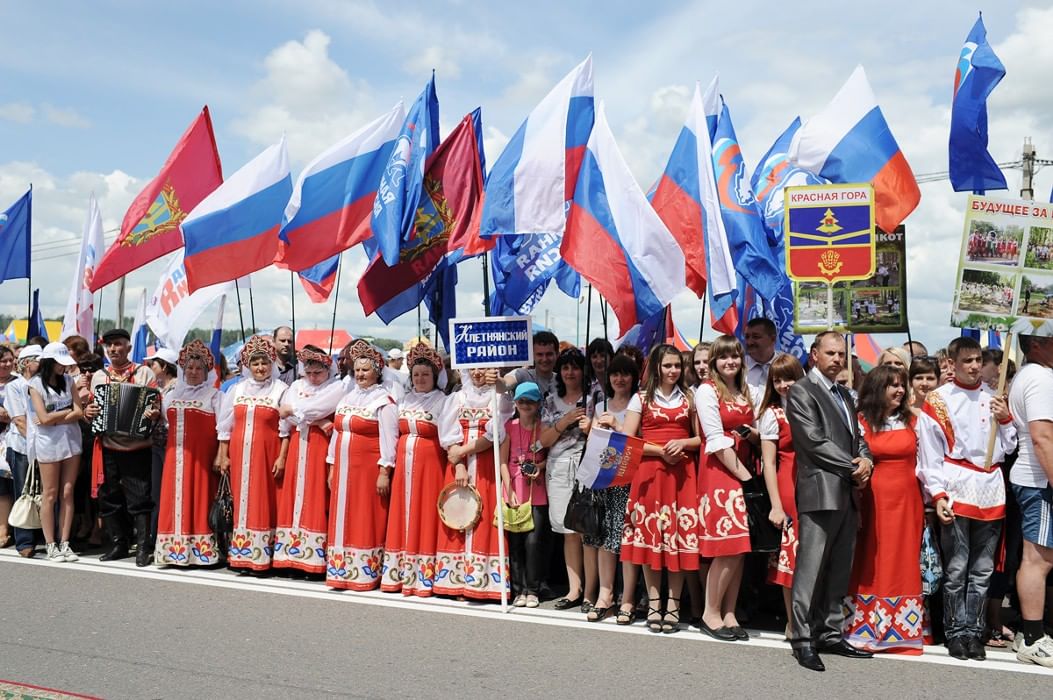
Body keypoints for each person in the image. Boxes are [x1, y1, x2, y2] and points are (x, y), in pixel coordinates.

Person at [916, 336, 1016, 661]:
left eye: (977, 360)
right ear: (953, 363)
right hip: (957, 484)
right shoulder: (939, 400)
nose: (974, 367)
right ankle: (955, 631)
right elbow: (930, 455)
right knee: (957, 566)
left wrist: (1005, 418)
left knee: (983, 568)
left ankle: (975, 631)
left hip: (990, 486)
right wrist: (939, 494)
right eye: (967, 361)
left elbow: (1010, 445)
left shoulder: (994, 397)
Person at [785, 331, 874, 672]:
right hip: (820, 492)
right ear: (814, 355)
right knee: (810, 570)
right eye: (831, 353)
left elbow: (859, 437)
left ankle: (831, 632)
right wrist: (854, 467)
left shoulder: (845, 394)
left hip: (847, 493)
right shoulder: (802, 391)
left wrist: (866, 460)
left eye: (841, 354)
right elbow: (813, 442)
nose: (837, 359)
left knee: (839, 569)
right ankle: (803, 639)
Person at [844, 365, 925, 654]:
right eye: (893, 385)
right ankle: (864, 626)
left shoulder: (914, 421)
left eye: (902, 385)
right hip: (872, 498)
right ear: (878, 388)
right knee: (871, 559)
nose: (900, 390)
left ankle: (901, 629)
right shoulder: (860, 421)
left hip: (908, 500)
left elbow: (928, 460)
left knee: (902, 557)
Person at [621, 343, 700, 634]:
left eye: (677, 365)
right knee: (651, 538)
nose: (673, 371)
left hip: (682, 474)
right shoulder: (640, 398)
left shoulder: (689, 398)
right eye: (667, 365)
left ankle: (674, 604)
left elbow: (702, 439)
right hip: (650, 473)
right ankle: (654, 601)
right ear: (656, 367)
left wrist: (682, 444)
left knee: (676, 540)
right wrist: (660, 451)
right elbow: (628, 439)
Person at [382, 343, 459, 596]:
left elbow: (449, 436)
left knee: (425, 515)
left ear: (435, 376)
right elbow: (391, 435)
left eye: (425, 374)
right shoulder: (403, 401)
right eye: (416, 374)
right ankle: (402, 574)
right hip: (404, 469)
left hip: (430, 470)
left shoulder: (443, 401)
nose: (420, 379)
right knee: (403, 514)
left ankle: (425, 575)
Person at [696, 335, 756, 641]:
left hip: (742, 465)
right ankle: (711, 612)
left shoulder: (745, 390)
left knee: (740, 548)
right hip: (721, 471)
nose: (730, 362)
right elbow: (716, 439)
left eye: (734, 356)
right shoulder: (706, 391)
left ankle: (729, 611)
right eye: (723, 357)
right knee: (727, 545)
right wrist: (745, 476)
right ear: (714, 362)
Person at [325, 340, 397, 591]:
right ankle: (341, 569)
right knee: (343, 515)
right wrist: (332, 466)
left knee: (365, 515)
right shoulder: (347, 398)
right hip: (344, 469)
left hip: (367, 470)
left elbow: (390, 438)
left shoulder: (384, 401)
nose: (360, 374)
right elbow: (337, 432)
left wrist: (384, 471)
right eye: (357, 370)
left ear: (377, 371)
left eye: (366, 370)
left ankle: (364, 572)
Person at [215, 335, 290, 572]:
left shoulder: (280, 389)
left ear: (271, 364)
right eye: (255, 363)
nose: (260, 368)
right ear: (247, 365)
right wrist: (223, 455)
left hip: (267, 454)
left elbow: (286, 428)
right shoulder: (236, 390)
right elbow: (225, 426)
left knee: (264, 500)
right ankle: (241, 555)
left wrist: (282, 457)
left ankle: (262, 556)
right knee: (240, 499)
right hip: (238, 454)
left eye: (265, 363)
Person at [436, 367, 512, 602]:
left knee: (483, 518)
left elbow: (494, 435)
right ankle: (455, 580)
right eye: (474, 369)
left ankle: (482, 581)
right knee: (457, 515)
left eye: (484, 368)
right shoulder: (456, 398)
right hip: (458, 466)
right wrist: (458, 463)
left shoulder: (499, 399)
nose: (478, 373)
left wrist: (463, 450)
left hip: (486, 466)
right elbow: (448, 435)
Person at [90, 328, 159, 566]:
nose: (113, 349)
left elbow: (155, 405)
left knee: (140, 497)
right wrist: (90, 413)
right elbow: (92, 409)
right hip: (108, 445)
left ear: (128, 347)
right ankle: (119, 543)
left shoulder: (144, 373)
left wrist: (152, 413)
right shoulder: (99, 377)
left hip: (137, 447)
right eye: (109, 346)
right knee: (108, 496)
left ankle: (142, 547)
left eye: (118, 344)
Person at [272, 345, 343, 574]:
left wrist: (302, 413)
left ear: (327, 370)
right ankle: (289, 556)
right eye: (309, 372)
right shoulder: (296, 385)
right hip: (297, 444)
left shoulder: (335, 387)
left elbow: (315, 409)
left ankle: (312, 559)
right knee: (293, 495)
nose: (313, 377)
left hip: (318, 447)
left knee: (315, 495)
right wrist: (318, 421)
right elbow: (284, 416)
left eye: (318, 372)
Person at [154, 341, 223, 567]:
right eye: (189, 368)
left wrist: (220, 456)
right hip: (174, 459)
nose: (193, 372)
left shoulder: (215, 396)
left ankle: (202, 553)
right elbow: (165, 422)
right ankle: (174, 550)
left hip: (201, 460)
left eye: (198, 369)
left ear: (206, 371)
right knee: (173, 498)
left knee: (200, 498)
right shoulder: (171, 395)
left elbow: (223, 429)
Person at [1008, 333, 1053, 667]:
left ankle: (1036, 633)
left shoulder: (1034, 374)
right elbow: (1042, 437)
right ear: (1035, 344)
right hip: (1040, 481)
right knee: (1038, 560)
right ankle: (1034, 638)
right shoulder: (1038, 377)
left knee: (1037, 558)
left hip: (1037, 478)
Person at [584, 354, 640, 623]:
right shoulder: (600, 404)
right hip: (603, 477)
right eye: (615, 373)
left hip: (628, 479)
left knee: (625, 538)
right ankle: (604, 595)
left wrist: (616, 426)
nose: (619, 379)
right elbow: (595, 441)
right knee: (605, 538)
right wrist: (594, 427)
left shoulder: (638, 403)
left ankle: (627, 598)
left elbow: (633, 440)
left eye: (625, 373)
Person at [757, 354, 806, 639]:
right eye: (778, 380)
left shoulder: (814, 408)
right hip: (788, 486)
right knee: (792, 558)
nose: (785, 385)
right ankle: (793, 622)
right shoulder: (772, 415)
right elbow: (769, 464)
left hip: (814, 486)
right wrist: (776, 505)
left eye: (789, 378)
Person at [539, 348, 591, 611]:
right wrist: (566, 421)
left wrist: (589, 426)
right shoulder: (550, 399)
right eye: (566, 367)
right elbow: (544, 440)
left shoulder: (595, 397)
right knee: (567, 531)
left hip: (587, 465)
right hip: (558, 467)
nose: (570, 373)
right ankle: (574, 589)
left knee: (587, 530)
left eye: (575, 367)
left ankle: (592, 591)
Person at [28, 343, 85, 562]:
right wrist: (65, 413)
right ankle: (51, 544)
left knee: (68, 492)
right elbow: (42, 419)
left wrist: (55, 416)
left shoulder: (69, 381)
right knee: (50, 493)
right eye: (60, 363)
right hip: (48, 443)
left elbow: (79, 411)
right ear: (50, 362)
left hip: (71, 440)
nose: (64, 367)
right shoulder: (35, 385)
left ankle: (65, 542)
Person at [500, 382, 550, 607]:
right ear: (515, 403)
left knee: (533, 541)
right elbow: (502, 461)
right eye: (521, 401)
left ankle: (533, 589)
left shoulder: (544, 427)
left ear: (538, 403)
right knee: (516, 541)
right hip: (513, 489)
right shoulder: (509, 426)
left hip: (536, 489)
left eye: (530, 401)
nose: (525, 405)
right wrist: (508, 489)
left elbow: (551, 456)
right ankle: (519, 589)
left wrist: (540, 465)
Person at [5, 345, 41, 557]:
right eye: (39, 360)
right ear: (27, 362)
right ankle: (24, 541)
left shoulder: (44, 384)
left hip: (44, 447)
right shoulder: (15, 386)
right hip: (22, 447)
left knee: (44, 494)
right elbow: (19, 420)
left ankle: (46, 536)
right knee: (24, 492)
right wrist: (36, 444)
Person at [145, 347, 179, 559]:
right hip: (157, 445)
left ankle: (163, 535)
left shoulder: (176, 389)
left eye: (154, 364)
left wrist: (158, 415)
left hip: (170, 446)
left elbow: (174, 419)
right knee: (157, 493)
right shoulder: (158, 387)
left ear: (165, 366)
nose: (151, 367)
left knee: (165, 492)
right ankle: (156, 535)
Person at [503, 331, 560, 399]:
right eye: (540, 354)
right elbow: (504, 385)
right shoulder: (522, 375)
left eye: (549, 354)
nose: (544, 359)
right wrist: (494, 380)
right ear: (532, 355)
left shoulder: (565, 381)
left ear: (557, 354)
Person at [744, 318, 779, 412]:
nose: (749, 342)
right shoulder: (738, 368)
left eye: (756, 337)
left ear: (773, 339)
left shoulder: (789, 365)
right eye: (747, 337)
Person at [0, 345, 16, 547]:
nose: (6, 364)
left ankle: (4, 527)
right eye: (2, 361)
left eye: (9, 360)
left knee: (3, 486)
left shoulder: (19, 383)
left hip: (10, 439)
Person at [585, 338, 614, 407]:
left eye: (603, 356)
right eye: (594, 357)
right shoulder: (586, 385)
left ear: (611, 357)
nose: (599, 361)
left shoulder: (617, 383)